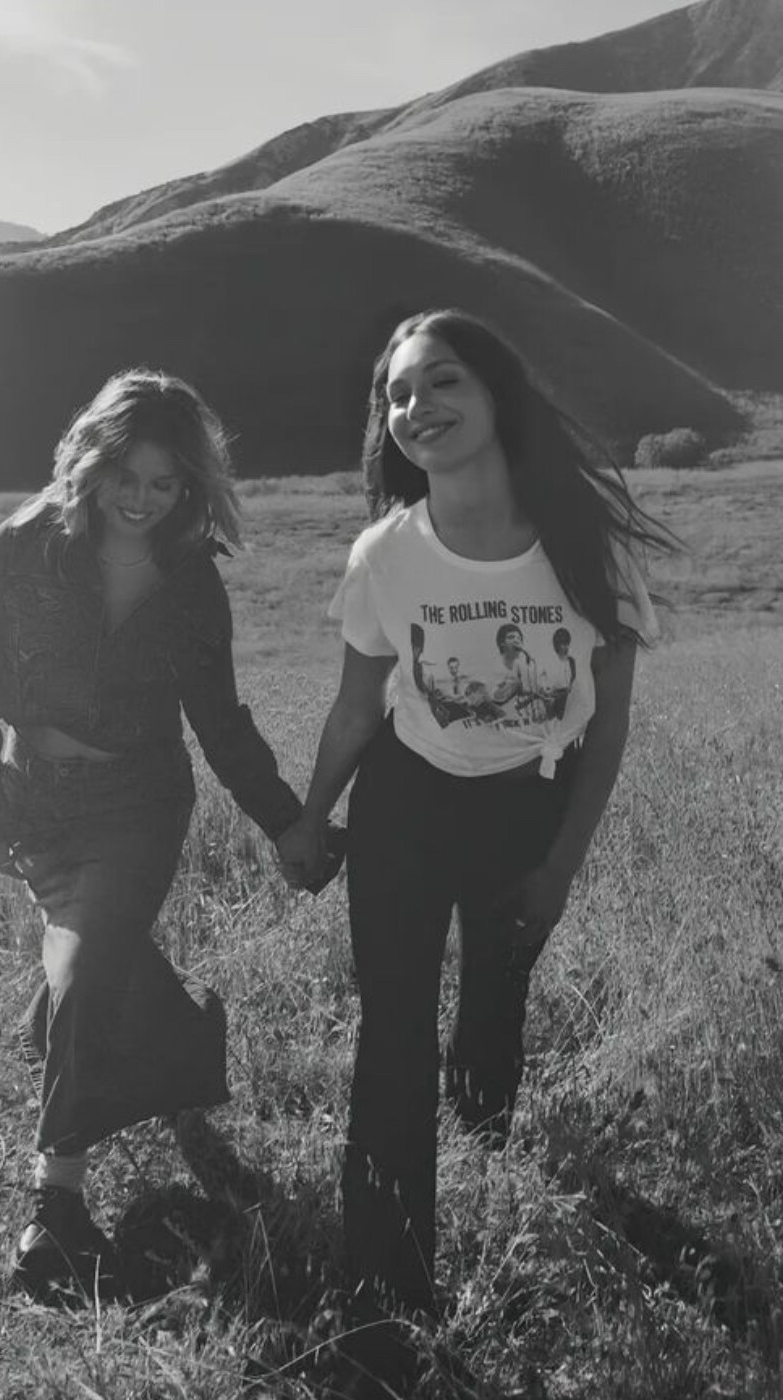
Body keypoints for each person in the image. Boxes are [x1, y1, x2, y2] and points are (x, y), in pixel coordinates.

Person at [277, 309, 674, 1322]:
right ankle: (386, 1295)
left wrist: (560, 869)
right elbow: (358, 705)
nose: (417, 406)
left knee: (496, 994)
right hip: (406, 800)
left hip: (527, 804)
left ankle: (486, 1130)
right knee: (393, 1029)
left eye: (443, 380)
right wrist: (311, 818)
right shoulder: (386, 554)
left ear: (499, 394)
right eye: (398, 394)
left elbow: (607, 727)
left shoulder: (587, 546)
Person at [0, 368, 305, 1303]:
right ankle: (179, 1048)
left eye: (166, 483)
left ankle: (55, 1206)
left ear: (190, 485)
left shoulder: (191, 579)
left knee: (84, 964)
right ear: (91, 463)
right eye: (126, 477)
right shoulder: (23, 546)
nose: (142, 500)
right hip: (38, 804)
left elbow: (221, 724)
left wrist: (288, 822)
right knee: (93, 965)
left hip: (140, 805)